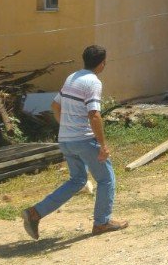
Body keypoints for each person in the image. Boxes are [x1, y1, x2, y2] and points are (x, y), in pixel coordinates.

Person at [21, 45, 127, 239]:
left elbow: (55, 105)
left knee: (77, 180)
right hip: (84, 140)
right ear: (102, 63)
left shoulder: (72, 77)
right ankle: (102, 223)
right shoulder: (93, 82)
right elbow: (94, 115)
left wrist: (66, 126)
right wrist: (103, 145)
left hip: (66, 140)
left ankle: (35, 213)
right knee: (106, 179)